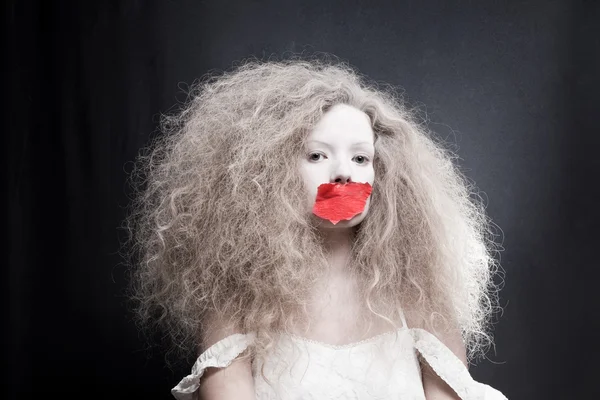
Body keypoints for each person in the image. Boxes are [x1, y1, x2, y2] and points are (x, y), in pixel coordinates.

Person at [125, 56, 508, 399]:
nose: (343, 171)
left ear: (384, 176)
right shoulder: (237, 300)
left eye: (360, 157)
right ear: (269, 173)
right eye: (317, 155)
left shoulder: (420, 292)